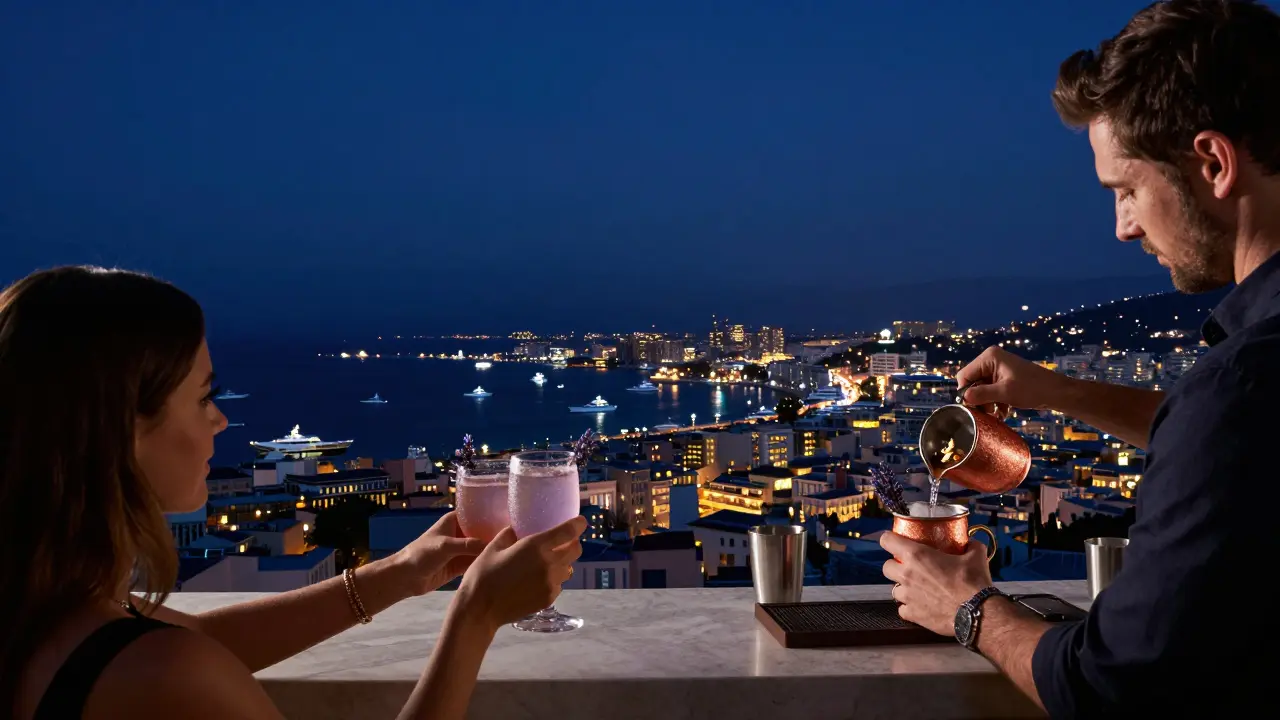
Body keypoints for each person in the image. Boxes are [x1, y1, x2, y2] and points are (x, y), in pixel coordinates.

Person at [880, 0, 1280, 717]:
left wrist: (969, 607)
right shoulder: (1249, 390)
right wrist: (1058, 392)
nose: (1123, 228)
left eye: (1126, 191)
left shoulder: (1243, 384)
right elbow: (1235, 449)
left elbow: (1113, 685)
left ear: (1214, 163)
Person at [0, 266, 587, 720]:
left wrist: (403, 572)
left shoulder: (47, 608)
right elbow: (183, 659)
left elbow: (203, 639)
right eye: (205, 398)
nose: (221, 423)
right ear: (119, 431)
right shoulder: (158, 670)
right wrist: (476, 615)